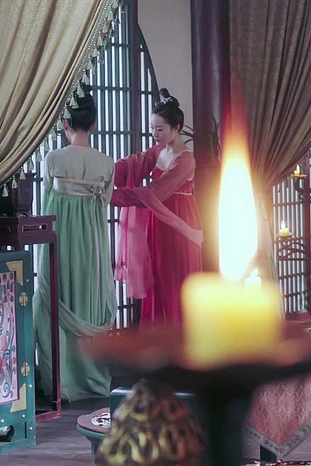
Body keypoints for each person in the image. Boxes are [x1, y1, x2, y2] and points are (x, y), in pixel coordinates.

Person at [34, 86, 117, 401]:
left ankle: (61, 382)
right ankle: (92, 380)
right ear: (93, 124)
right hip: (92, 242)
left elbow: (46, 197)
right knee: (88, 300)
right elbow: (104, 201)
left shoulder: (53, 159)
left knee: (56, 296)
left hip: (60, 240)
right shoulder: (106, 163)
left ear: (65, 124)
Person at [111, 88, 203, 328]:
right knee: (157, 278)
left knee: (176, 280)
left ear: (177, 127)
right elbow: (133, 165)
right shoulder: (159, 151)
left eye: (160, 129)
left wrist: (111, 196)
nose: (154, 134)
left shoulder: (186, 159)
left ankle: (179, 340)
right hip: (157, 223)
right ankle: (156, 337)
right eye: (152, 128)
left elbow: (154, 192)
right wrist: (103, 171)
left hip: (179, 224)